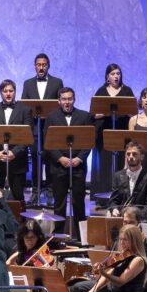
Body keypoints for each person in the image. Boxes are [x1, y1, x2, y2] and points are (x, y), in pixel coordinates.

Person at [41, 87, 92, 231]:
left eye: (70, 99)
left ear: (74, 99)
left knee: (79, 203)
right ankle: (58, 236)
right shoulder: (51, 117)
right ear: (59, 101)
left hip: (78, 167)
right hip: (58, 167)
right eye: (64, 99)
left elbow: (89, 141)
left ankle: (82, 238)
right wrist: (60, 158)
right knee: (59, 203)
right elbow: (47, 142)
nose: (67, 102)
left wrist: (79, 159)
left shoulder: (84, 116)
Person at [0, 79, 31, 199]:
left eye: (11, 91)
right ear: (1, 92)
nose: (8, 93)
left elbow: (27, 137)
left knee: (18, 196)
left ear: (15, 92)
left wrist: (14, 152)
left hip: (17, 160)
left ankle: (20, 219)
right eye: (5, 91)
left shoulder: (25, 110)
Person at [90, 63, 134, 192]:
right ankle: (103, 194)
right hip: (104, 133)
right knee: (104, 164)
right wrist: (105, 112)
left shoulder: (127, 90)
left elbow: (133, 113)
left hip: (122, 132)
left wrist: (123, 110)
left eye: (118, 74)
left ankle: (121, 194)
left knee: (121, 163)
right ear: (107, 77)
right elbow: (93, 114)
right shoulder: (101, 91)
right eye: (113, 74)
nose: (116, 76)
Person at [107, 137, 147, 217]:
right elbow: (113, 201)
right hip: (122, 219)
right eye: (128, 154)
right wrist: (114, 209)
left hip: (142, 221)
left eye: (134, 154)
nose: (130, 156)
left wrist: (134, 215)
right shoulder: (118, 176)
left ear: (142, 157)